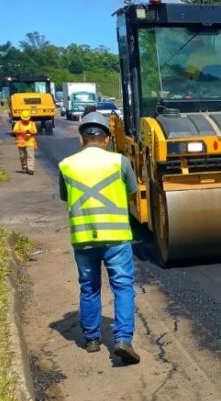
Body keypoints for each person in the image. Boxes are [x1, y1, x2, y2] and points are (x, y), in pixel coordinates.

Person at [58, 112, 141, 365]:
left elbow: (65, 196)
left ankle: (92, 339)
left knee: (89, 287)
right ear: (107, 139)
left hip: (83, 238)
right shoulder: (119, 161)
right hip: (115, 237)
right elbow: (132, 190)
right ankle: (123, 340)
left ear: (81, 138)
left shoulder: (67, 164)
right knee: (123, 286)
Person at [12, 110, 37, 175]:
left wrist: (30, 132)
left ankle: (31, 169)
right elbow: (14, 131)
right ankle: (24, 167)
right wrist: (22, 132)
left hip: (30, 142)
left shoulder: (32, 123)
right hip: (21, 143)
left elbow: (35, 132)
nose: (25, 120)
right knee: (22, 156)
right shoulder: (18, 123)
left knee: (30, 155)